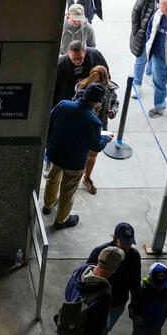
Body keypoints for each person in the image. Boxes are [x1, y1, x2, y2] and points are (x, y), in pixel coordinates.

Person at [43, 83, 113, 229]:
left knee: (52, 180)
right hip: (74, 162)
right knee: (68, 191)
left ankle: (48, 205)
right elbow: (96, 146)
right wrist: (106, 138)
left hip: (54, 153)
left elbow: (48, 124)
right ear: (98, 102)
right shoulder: (93, 121)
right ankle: (61, 220)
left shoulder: (63, 105)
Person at [84, 223, 141, 335]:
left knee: (100, 333)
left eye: (130, 243)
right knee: (99, 333)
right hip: (97, 301)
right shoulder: (100, 253)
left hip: (117, 303)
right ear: (115, 239)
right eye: (124, 243)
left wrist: (136, 307)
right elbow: (86, 274)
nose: (127, 247)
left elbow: (135, 284)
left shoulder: (134, 256)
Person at [72, 65, 118, 194]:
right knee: (79, 154)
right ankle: (74, 177)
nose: (102, 86)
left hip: (99, 126)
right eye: (99, 83)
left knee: (93, 155)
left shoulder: (109, 88)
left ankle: (87, 178)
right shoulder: (82, 89)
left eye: (103, 83)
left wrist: (112, 111)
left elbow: (115, 101)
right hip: (83, 126)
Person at [52, 41, 109, 109]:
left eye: (80, 58)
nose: (77, 61)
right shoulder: (60, 64)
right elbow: (53, 89)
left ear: (84, 52)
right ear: (69, 54)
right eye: (74, 59)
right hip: (67, 101)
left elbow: (106, 75)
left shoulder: (94, 55)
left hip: (90, 100)